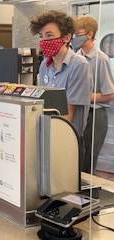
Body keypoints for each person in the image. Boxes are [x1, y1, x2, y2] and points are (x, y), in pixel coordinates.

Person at [30, 10, 92, 138]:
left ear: (67, 38)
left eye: (49, 35)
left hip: (68, 139)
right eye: (41, 36)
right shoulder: (45, 65)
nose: (44, 41)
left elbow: (67, 114)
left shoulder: (78, 65)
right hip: (48, 134)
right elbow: (42, 104)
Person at [72, 16, 114, 174]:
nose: (74, 37)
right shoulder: (76, 57)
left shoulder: (101, 59)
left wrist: (83, 97)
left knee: (88, 162)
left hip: (94, 115)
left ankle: (89, 197)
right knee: (77, 158)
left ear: (89, 34)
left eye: (78, 33)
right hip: (79, 112)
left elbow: (110, 93)